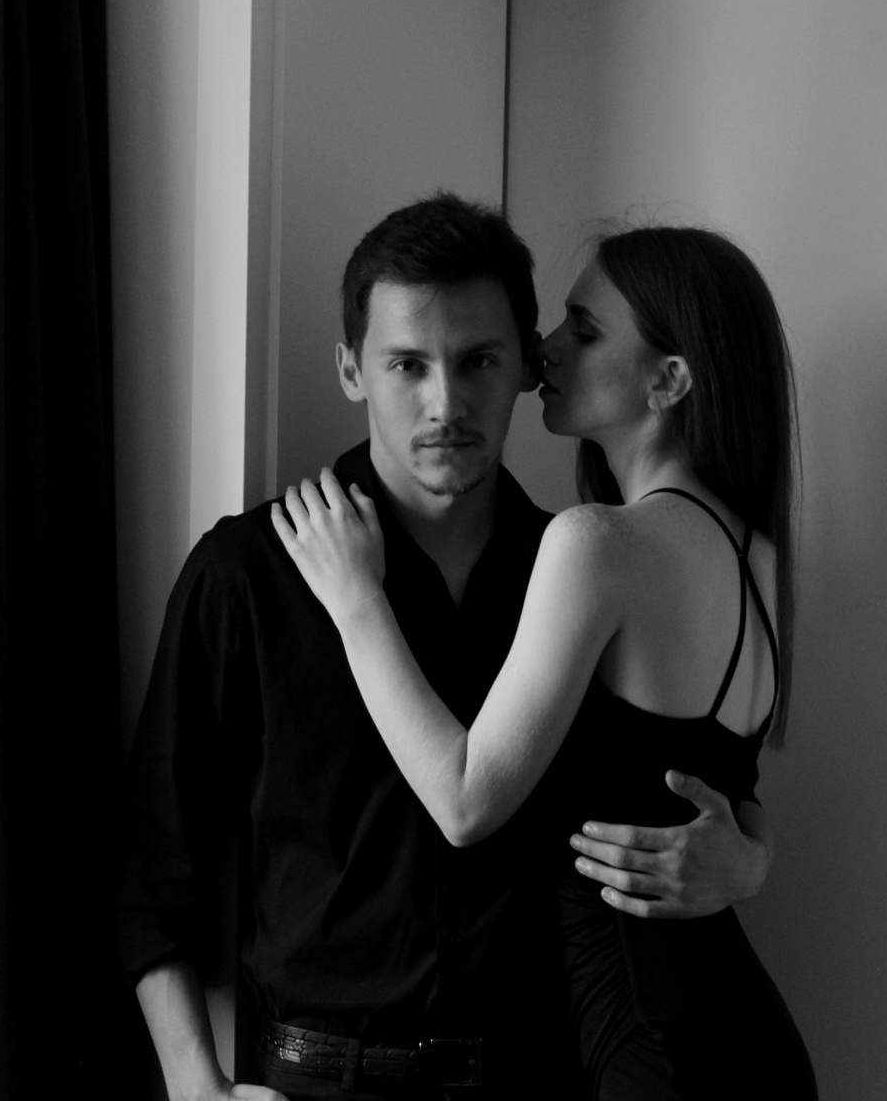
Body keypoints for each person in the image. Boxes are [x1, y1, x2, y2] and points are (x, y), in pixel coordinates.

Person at [119, 198, 776, 1101]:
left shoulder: (585, 572)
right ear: (351, 370)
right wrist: (195, 1084)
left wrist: (750, 856)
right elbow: (154, 856)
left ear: (527, 367)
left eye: (477, 362)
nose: (446, 405)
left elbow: (694, 774)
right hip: (313, 1082)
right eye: (407, 365)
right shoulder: (249, 573)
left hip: (541, 1079)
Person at [273, 225, 817, 1098]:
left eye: (584, 331)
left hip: (653, 1051)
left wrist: (357, 602)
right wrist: (755, 854)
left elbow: (464, 803)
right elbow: (711, 781)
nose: (544, 350)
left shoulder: (594, 543)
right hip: (742, 1032)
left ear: (668, 380)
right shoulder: (758, 555)